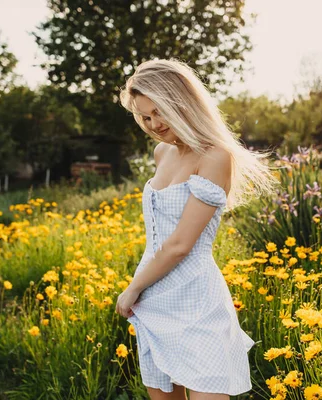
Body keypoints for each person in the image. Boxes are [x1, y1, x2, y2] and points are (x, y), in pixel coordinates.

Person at [115, 58, 278, 400]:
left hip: (196, 301)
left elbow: (180, 245)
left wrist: (132, 289)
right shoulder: (162, 153)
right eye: (144, 116)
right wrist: (141, 291)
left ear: (182, 102)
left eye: (159, 111)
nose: (154, 124)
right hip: (154, 300)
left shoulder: (215, 156)